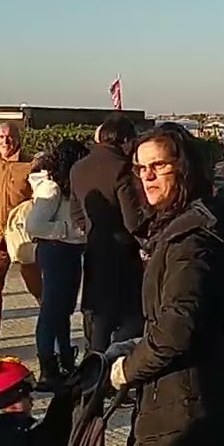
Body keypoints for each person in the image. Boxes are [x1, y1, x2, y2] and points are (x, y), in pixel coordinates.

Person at [107, 124, 224, 446]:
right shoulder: (182, 225)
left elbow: (177, 327)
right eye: (140, 168)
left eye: (158, 166)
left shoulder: (190, 237)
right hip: (185, 397)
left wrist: (126, 370)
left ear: (181, 168)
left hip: (181, 404)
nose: (147, 176)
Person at [68, 114, 147, 351]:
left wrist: (93, 229)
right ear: (125, 140)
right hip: (123, 254)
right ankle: (118, 366)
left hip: (95, 249)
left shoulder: (79, 167)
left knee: (99, 318)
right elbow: (133, 220)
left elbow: (76, 213)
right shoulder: (122, 169)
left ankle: (95, 370)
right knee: (134, 316)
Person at [0, 122, 42, 354]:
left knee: (38, 288)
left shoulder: (31, 165)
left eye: (9, 136)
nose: (5, 140)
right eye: (1, 136)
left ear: (17, 137)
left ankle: (51, 331)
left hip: (23, 238)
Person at [27, 139, 90, 390]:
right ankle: (48, 367)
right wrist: (69, 229)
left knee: (63, 310)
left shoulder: (67, 187)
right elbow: (34, 225)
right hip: (55, 250)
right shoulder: (51, 189)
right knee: (52, 309)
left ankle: (64, 358)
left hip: (71, 251)